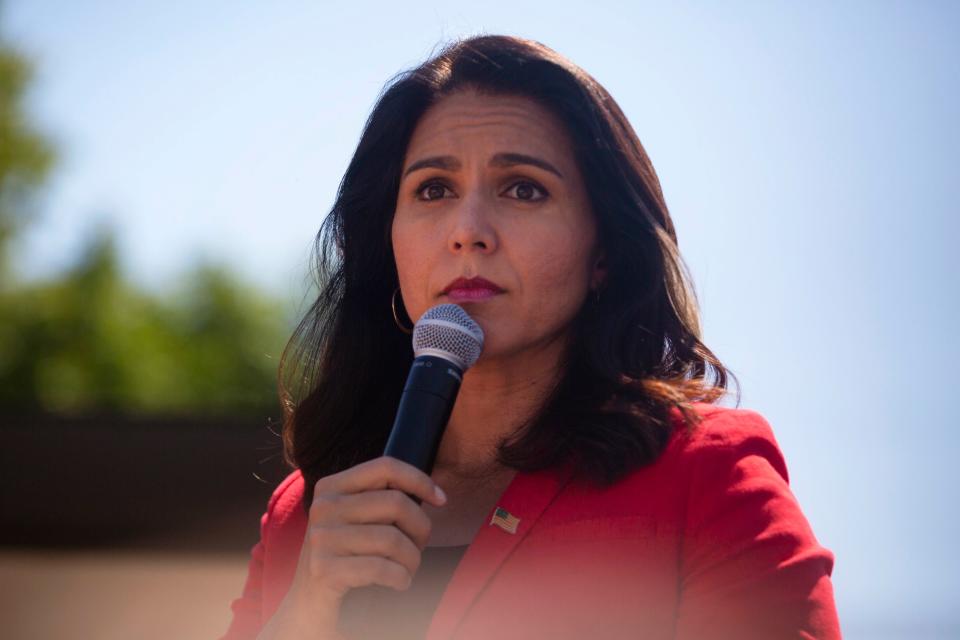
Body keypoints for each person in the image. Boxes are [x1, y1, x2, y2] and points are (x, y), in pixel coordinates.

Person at [220, 35, 841, 640]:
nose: (467, 231)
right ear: (390, 244)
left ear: (603, 253)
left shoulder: (706, 477)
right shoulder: (305, 514)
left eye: (524, 189)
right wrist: (299, 619)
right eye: (433, 189)